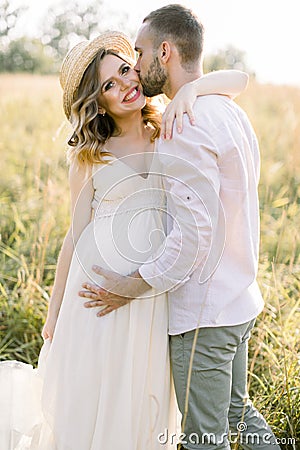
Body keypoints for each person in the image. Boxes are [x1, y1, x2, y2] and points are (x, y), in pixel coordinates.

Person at [0, 30, 248, 450]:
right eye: (108, 87)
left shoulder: (171, 126)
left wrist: (193, 91)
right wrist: (54, 311)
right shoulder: (89, 154)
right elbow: (74, 235)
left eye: (124, 71)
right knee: (96, 393)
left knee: (142, 391)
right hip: (97, 294)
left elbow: (238, 79)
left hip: (150, 291)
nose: (125, 86)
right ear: (99, 102)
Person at [80, 6, 282, 450]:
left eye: (140, 50)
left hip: (204, 317)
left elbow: (192, 236)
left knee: (202, 440)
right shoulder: (228, 112)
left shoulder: (183, 124)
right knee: (237, 414)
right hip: (238, 300)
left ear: (165, 51)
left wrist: (132, 285)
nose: (135, 63)